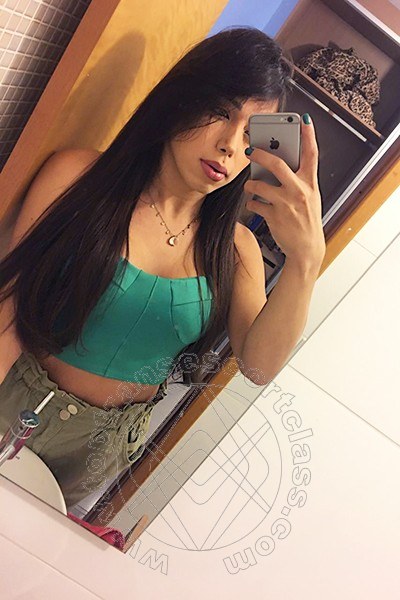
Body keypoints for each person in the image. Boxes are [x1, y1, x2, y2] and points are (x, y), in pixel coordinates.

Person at [0, 27, 326, 509]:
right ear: (182, 98)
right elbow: (9, 311)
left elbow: (257, 367)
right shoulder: (78, 178)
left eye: (251, 134)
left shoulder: (236, 250)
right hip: (17, 404)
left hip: (104, 449)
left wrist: (306, 260)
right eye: (221, 112)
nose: (230, 145)